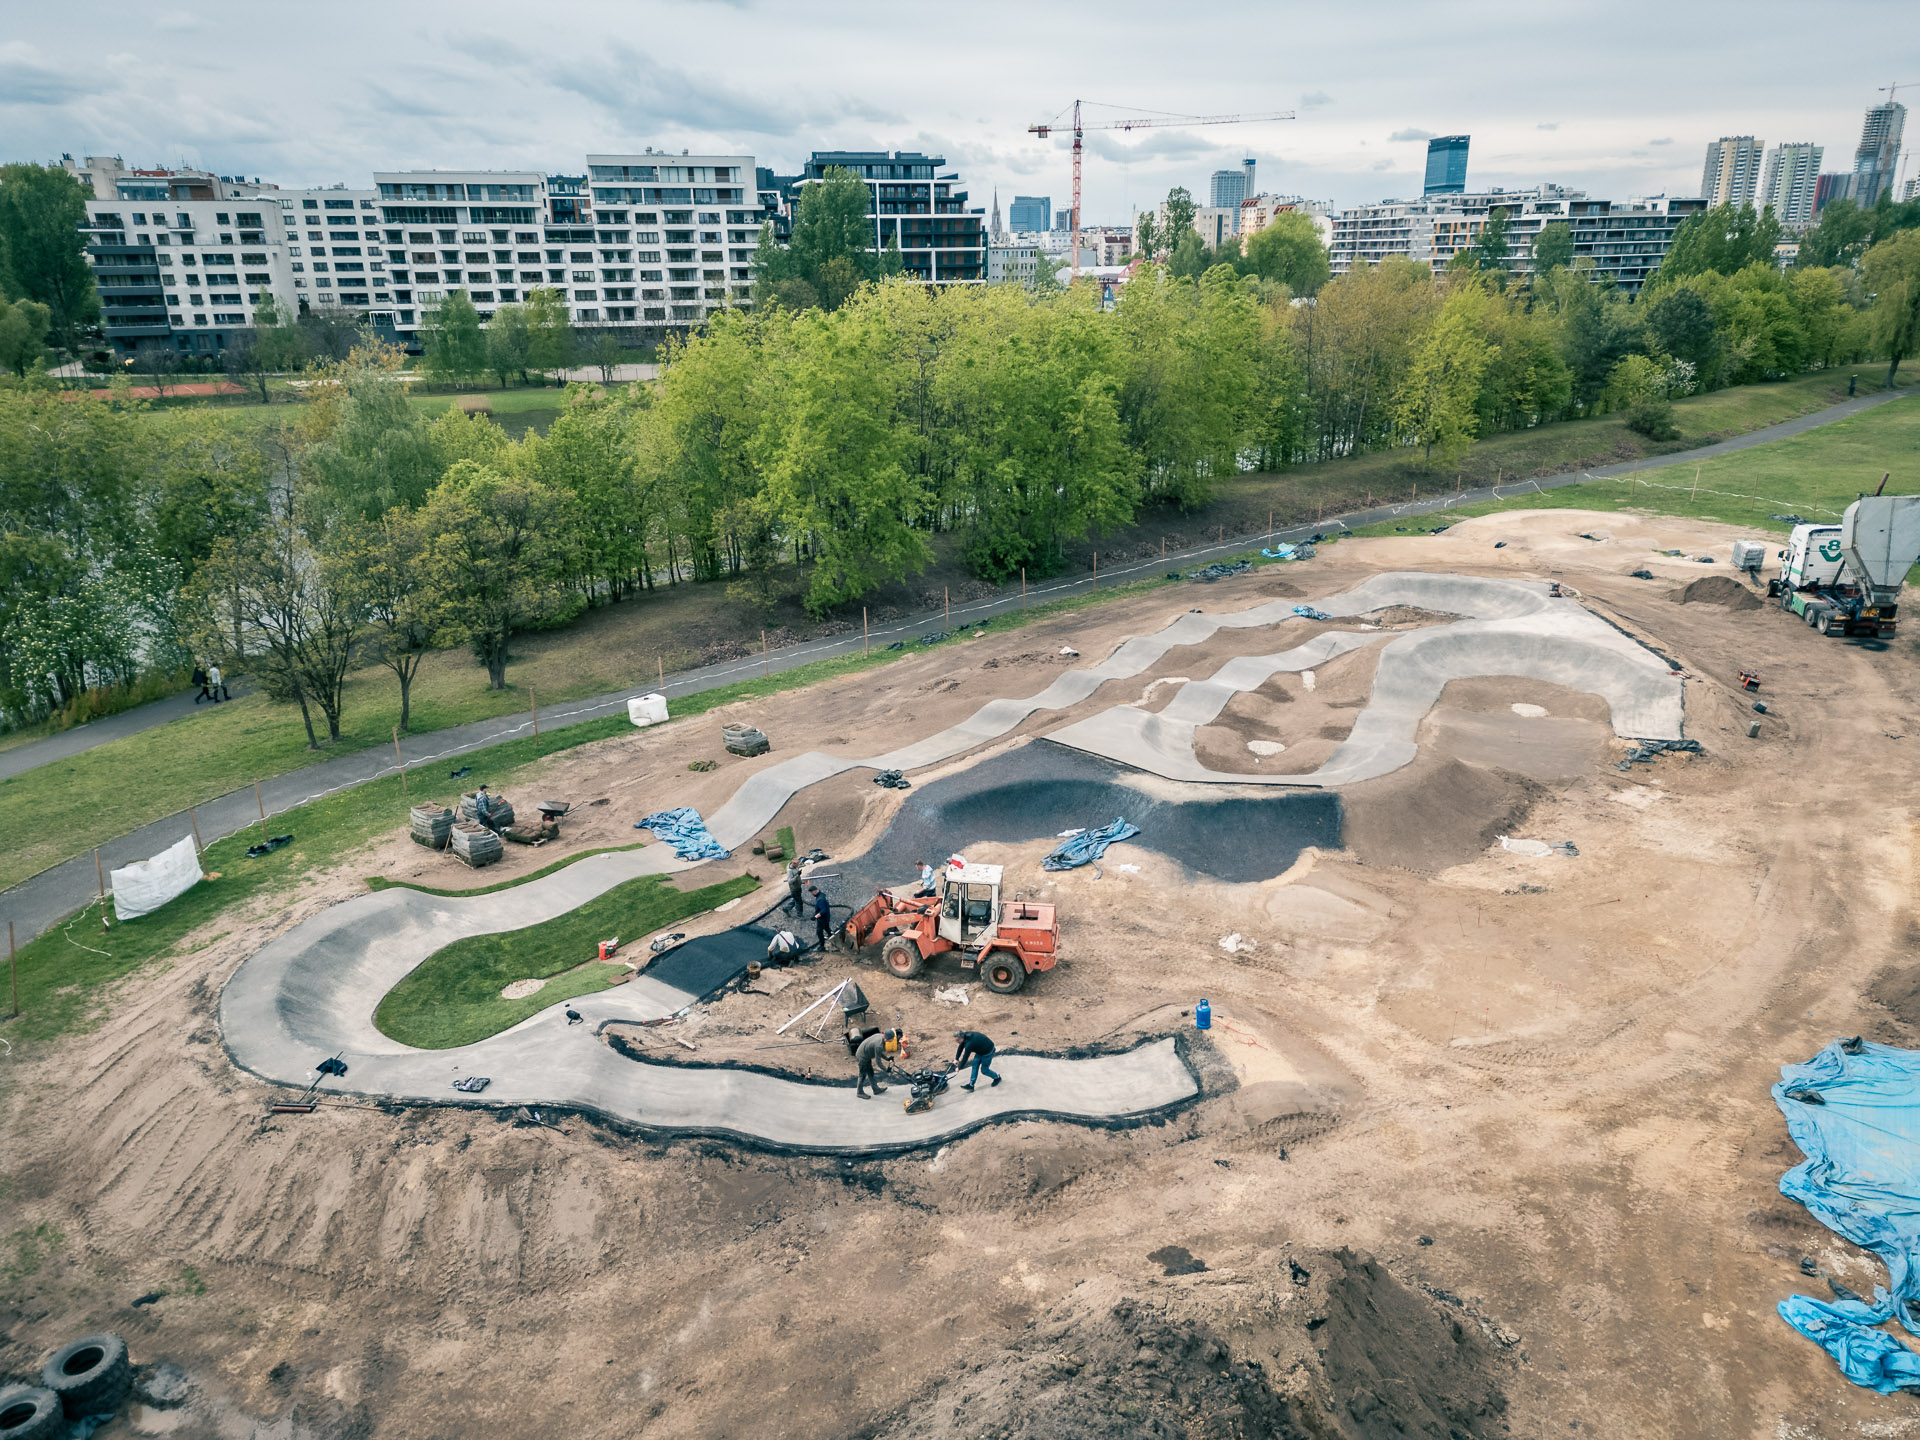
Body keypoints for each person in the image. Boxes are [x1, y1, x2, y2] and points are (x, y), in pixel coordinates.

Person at [854, 1027, 899, 1098]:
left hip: (866, 1054)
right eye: (892, 1038)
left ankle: (876, 1089)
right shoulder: (879, 1045)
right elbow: (878, 1062)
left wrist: (887, 1059)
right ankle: (859, 1092)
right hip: (862, 1057)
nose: (893, 1039)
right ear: (886, 1039)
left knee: (870, 1072)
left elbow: (878, 1053)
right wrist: (886, 1070)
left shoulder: (880, 1036)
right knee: (862, 1075)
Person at [810, 883, 833, 950]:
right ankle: (832, 936)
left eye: (812, 893)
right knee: (826, 928)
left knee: (819, 932)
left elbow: (823, 910)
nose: (812, 894)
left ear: (814, 891)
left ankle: (822, 946)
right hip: (826, 917)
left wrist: (815, 916)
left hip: (822, 918)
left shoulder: (820, 899)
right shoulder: (822, 895)